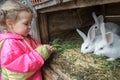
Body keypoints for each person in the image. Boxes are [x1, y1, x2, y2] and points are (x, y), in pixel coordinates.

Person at [0, 0, 56, 80]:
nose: (30, 26)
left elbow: (33, 47)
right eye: (26, 23)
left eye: (30, 23)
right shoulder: (9, 44)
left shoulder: (24, 37)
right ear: (10, 24)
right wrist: (40, 53)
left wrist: (44, 48)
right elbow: (20, 67)